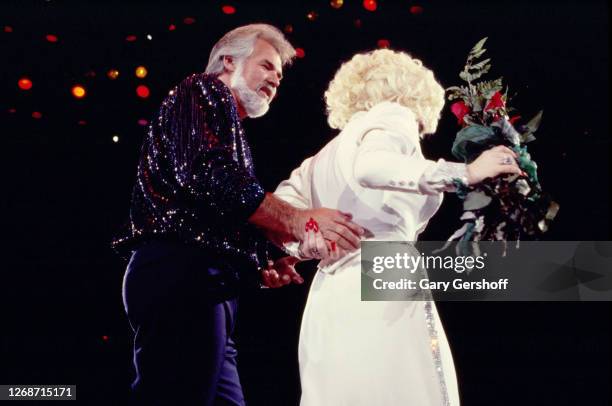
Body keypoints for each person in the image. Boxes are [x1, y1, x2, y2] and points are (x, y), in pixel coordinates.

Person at [112, 24, 364, 406]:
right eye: (266, 65)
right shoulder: (202, 89)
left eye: (279, 75)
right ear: (228, 61)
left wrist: (262, 261)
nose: (275, 79)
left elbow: (214, 207)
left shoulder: (227, 126)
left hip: (207, 284)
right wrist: (299, 220)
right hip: (182, 275)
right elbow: (209, 177)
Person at [272, 49, 523, 405]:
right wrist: (463, 173)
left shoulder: (317, 161)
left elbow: (282, 215)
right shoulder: (393, 114)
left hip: (329, 298)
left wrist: (304, 248)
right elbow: (372, 168)